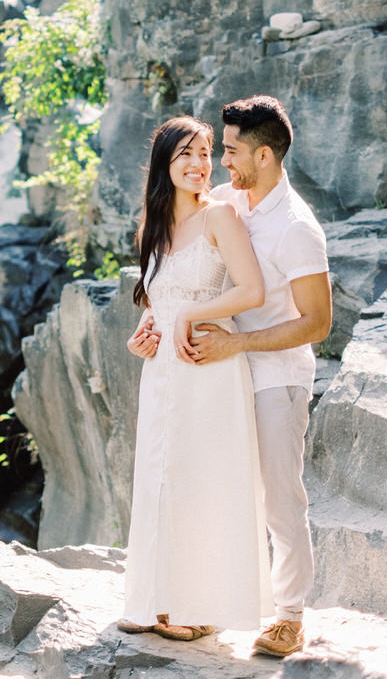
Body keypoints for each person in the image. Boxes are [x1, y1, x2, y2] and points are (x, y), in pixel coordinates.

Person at [117, 115, 273, 642]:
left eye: (206, 153)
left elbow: (252, 290)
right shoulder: (154, 227)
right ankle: (154, 599)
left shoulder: (220, 218)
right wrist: (144, 334)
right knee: (160, 477)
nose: (199, 164)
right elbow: (158, 299)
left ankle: (198, 605)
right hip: (163, 373)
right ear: (165, 162)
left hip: (208, 367)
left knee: (200, 479)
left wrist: (188, 316)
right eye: (186, 153)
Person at [189, 95, 332, 658]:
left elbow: (317, 323)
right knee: (224, 493)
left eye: (231, 151)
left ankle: (291, 618)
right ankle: (216, 604)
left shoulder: (297, 228)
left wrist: (236, 343)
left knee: (279, 500)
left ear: (266, 155)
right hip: (225, 375)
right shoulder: (231, 200)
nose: (222, 161)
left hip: (277, 378)